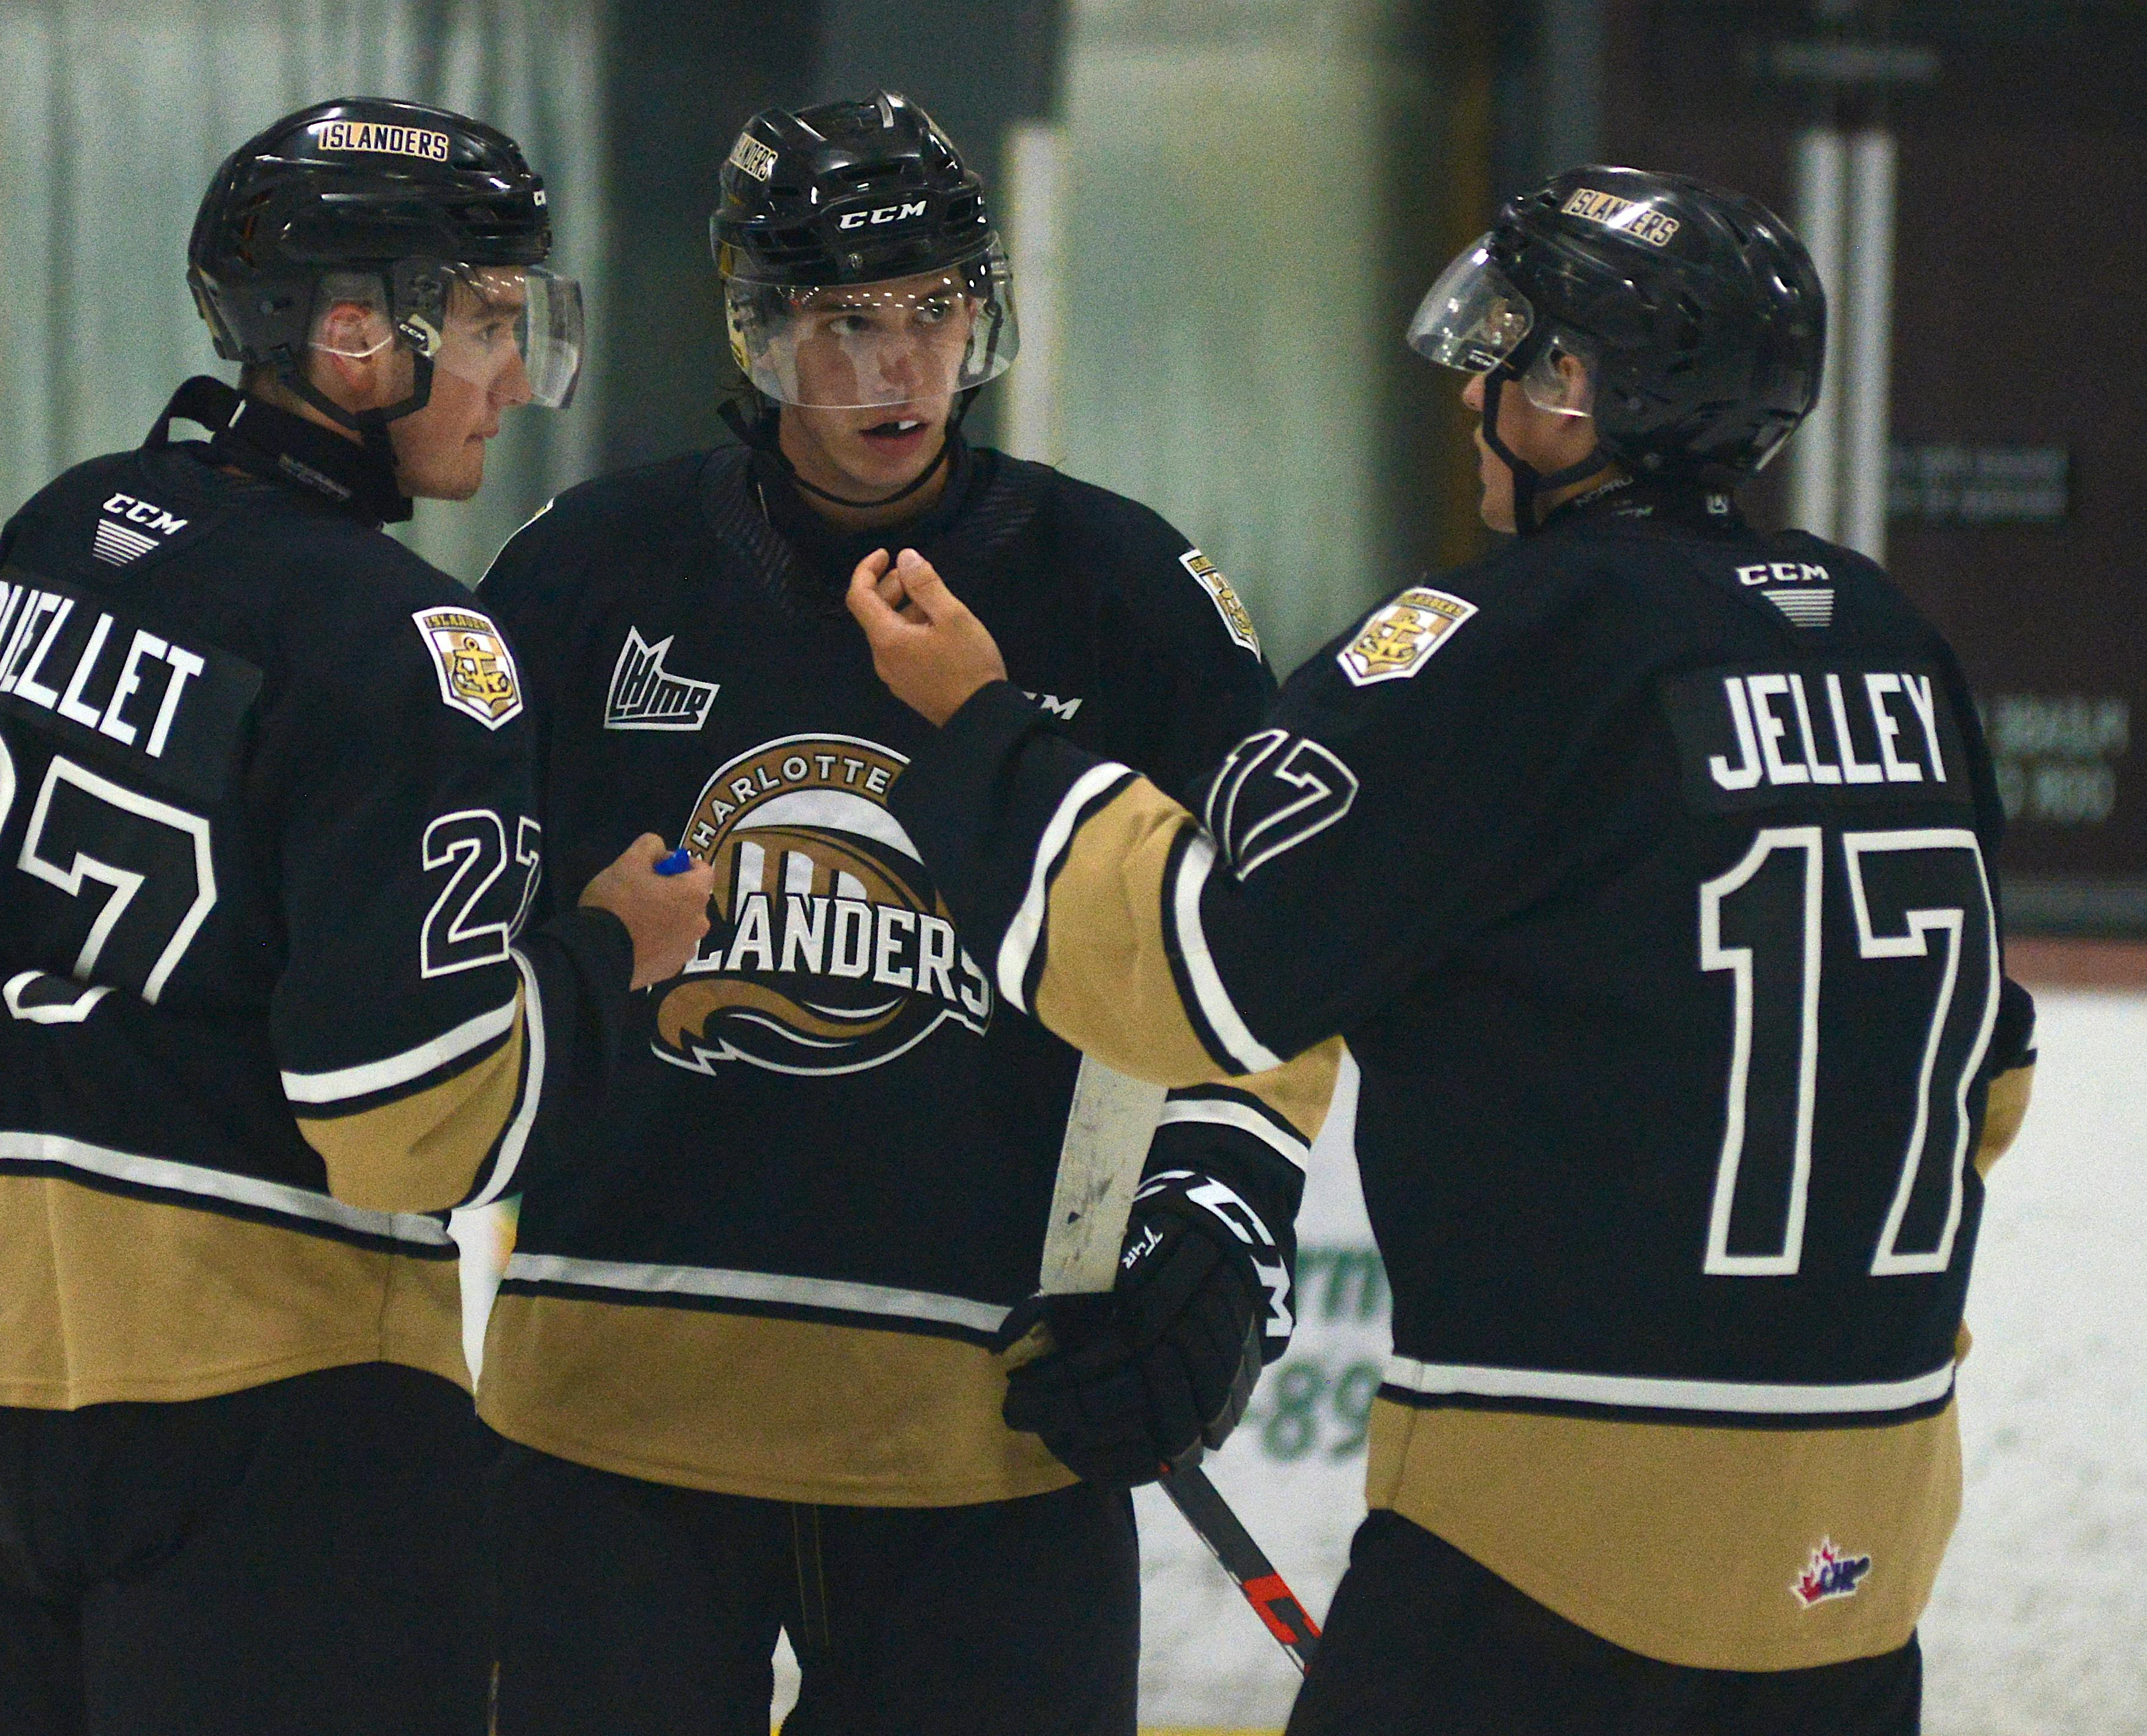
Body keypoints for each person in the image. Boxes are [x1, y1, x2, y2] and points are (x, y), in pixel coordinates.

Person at [849, 165, 2039, 1736]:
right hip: (1859, 1553)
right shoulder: (1891, 640)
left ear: (1568, 393)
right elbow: (1985, 1074)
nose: (1473, 383)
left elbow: (1195, 970)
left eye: (1510, 349)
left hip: (1553, 1545)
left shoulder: (1507, 643)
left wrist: (982, 736)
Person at [474, 90, 1340, 1735]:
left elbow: (1268, 961)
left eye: (935, 311)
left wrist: (1218, 1238)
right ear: (758, 326)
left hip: (988, 1437)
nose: (899, 369)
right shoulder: (582, 578)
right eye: (845, 321)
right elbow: (442, 941)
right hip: (612, 1427)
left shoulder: (1126, 594)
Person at [0, 97, 712, 1736]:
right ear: (348, 330)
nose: (514, 376)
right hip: (263, 1398)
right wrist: (608, 960)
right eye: (484, 320)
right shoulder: (411, 639)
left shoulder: (59, 536)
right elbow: (406, 1123)